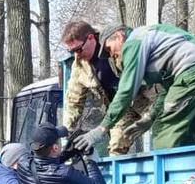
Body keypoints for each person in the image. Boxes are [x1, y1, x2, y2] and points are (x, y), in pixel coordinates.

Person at [71, 22, 195, 153]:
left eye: (109, 49)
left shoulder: (132, 43)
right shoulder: (155, 47)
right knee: (183, 131)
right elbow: (168, 88)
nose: (112, 55)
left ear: (118, 36)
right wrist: (150, 117)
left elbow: (126, 91)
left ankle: (168, 175)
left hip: (194, 71)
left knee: (163, 129)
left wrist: (101, 129)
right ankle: (191, 173)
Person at [61, 20, 155, 156]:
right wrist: (66, 132)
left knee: (163, 131)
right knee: (116, 146)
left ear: (91, 38)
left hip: (147, 97)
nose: (77, 54)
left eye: (78, 49)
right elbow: (73, 100)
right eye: (72, 52)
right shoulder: (80, 67)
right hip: (120, 109)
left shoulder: (114, 41)